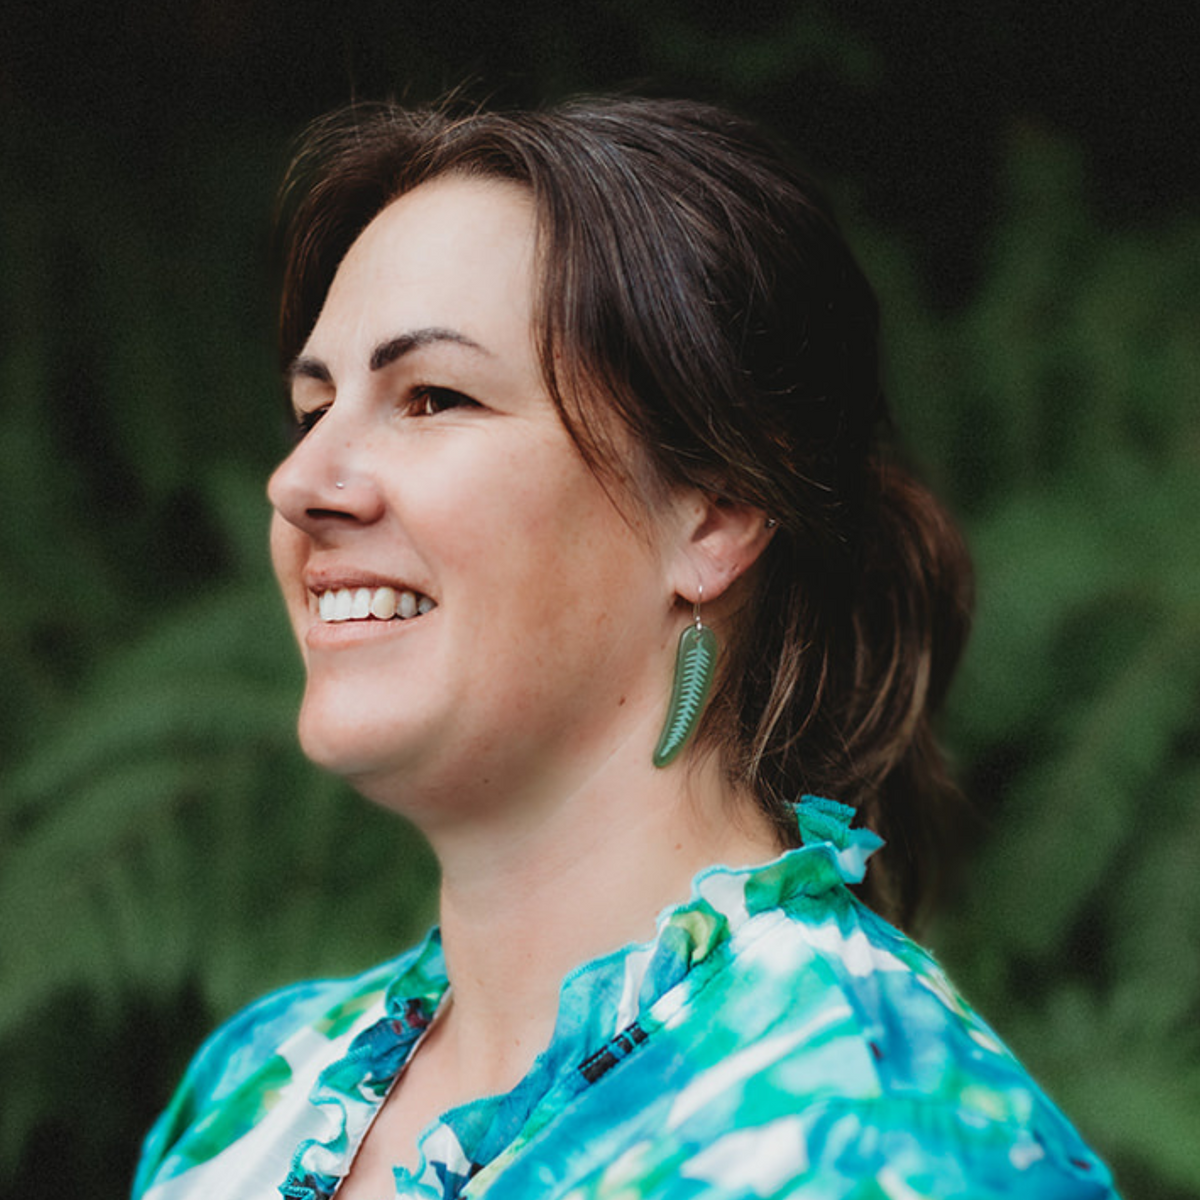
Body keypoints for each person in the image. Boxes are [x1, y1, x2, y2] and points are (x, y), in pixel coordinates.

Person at [132, 97, 1118, 1199]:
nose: (299, 482)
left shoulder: (874, 1133)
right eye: (312, 409)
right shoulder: (253, 1095)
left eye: (433, 397)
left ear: (713, 511)